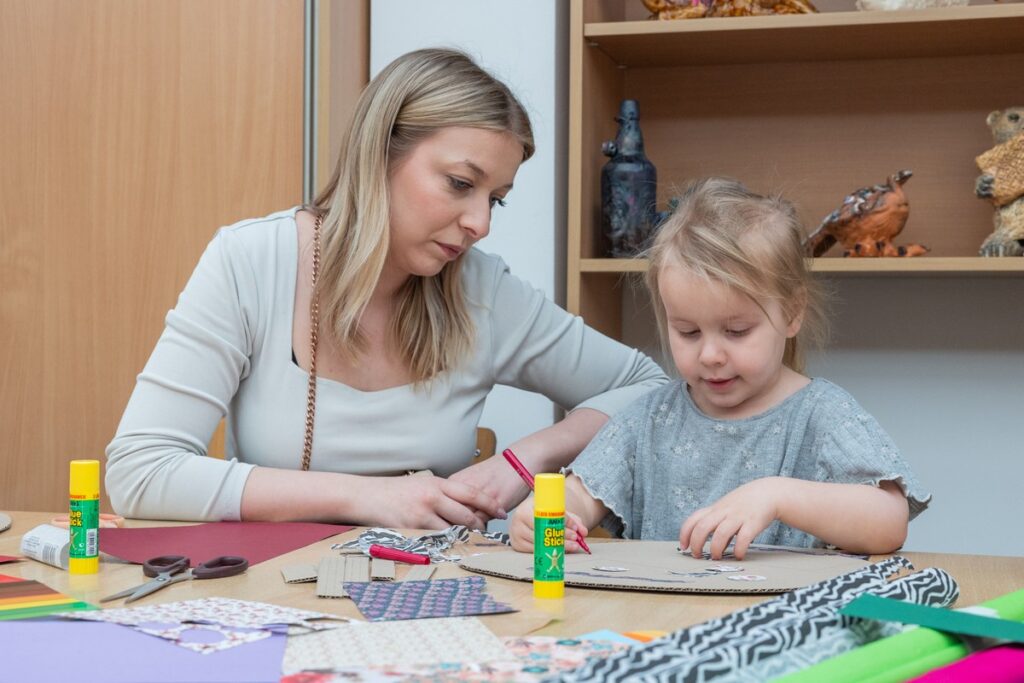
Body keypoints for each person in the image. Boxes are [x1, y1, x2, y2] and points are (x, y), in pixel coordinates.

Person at [105, 48, 668, 528]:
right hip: (272, 595)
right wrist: (367, 497)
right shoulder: (251, 261)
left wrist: (523, 460)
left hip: (432, 596)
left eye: (494, 199)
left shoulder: (482, 289)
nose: (481, 224)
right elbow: (139, 471)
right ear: (380, 154)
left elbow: (648, 387)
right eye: (460, 184)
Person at [511, 177, 931, 559]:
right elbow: (581, 496)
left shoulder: (823, 414)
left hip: (779, 629)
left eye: (735, 330)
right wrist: (547, 520)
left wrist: (776, 496)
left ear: (791, 312)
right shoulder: (649, 417)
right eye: (688, 332)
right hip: (660, 627)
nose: (710, 354)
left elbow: (888, 524)